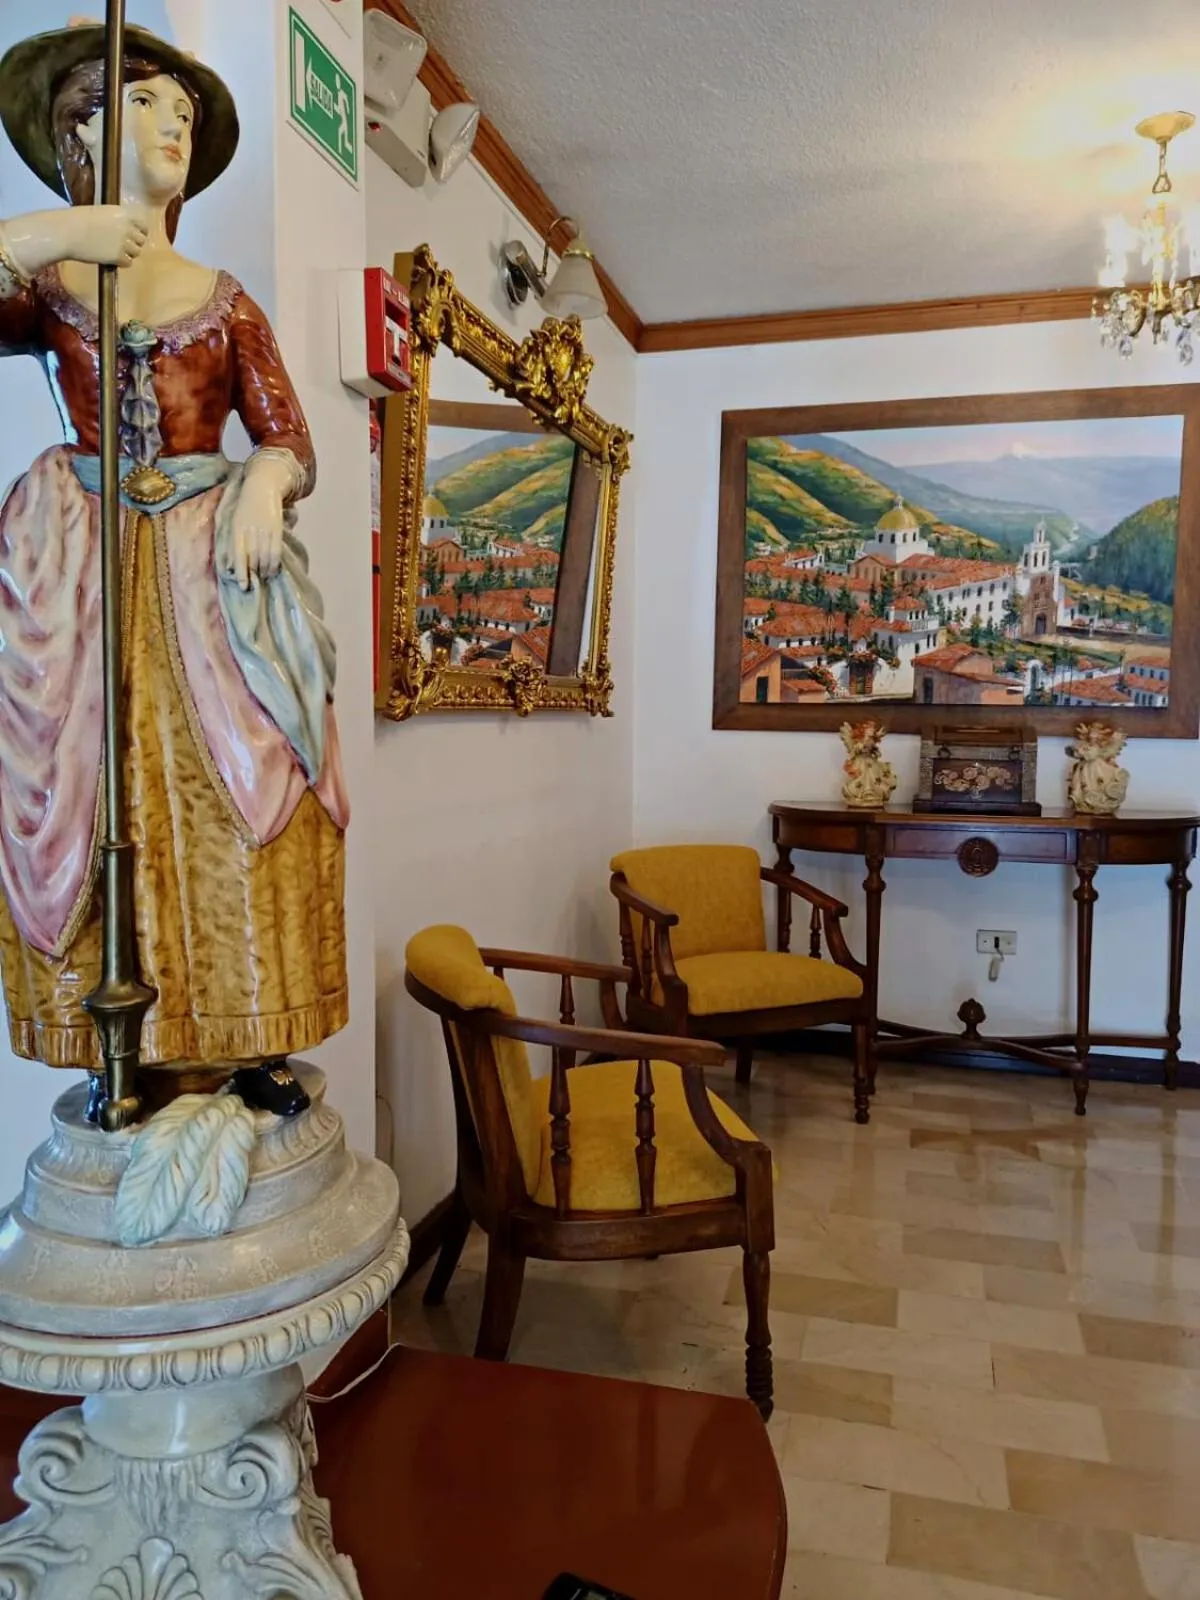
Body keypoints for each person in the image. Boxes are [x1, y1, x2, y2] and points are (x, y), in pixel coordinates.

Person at [0, 23, 350, 1118]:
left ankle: (249, 1033)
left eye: (186, 114)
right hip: (86, 563)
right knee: (103, 788)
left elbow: (286, 430)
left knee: (250, 778)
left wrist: (259, 483)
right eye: (149, 106)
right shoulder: (56, 285)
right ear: (86, 132)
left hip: (212, 566)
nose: (175, 127)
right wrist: (65, 231)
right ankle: (126, 1047)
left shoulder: (225, 295)